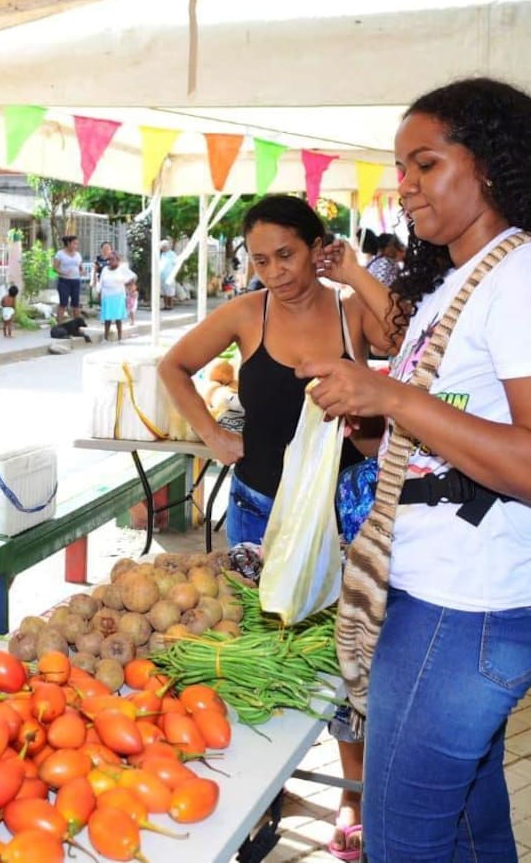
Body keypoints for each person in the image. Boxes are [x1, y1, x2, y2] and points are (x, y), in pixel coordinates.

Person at [302, 77, 531, 860]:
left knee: (402, 840)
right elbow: (463, 434)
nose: (403, 187)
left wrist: (391, 394)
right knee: (474, 828)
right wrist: (380, 430)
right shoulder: (461, 280)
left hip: (465, 609)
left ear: (489, 166)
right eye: (400, 168)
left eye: (424, 164)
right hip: (440, 593)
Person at [159, 195, 394, 862]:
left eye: (286, 254)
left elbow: (410, 348)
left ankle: (351, 795)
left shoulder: (351, 312)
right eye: (260, 259)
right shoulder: (246, 313)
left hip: (342, 514)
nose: (275, 272)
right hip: (259, 512)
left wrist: (355, 274)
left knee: (342, 659)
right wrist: (211, 434)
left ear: (316, 246)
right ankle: (261, 802)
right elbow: (172, 366)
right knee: (255, 655)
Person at [98, 251, 136, 341]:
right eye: (108, 259)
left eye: (112, 259)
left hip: (118, 295)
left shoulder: (122, 269)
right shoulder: (105, 270)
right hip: (106, 296)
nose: (110, 261)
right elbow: (101, 282)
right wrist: (99, 293)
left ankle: (120, 337)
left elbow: (134, 277)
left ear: (117, 260)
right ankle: (105, 338)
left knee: (118, 318)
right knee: (107, 318)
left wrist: (127, 284)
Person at [54, 235, 84, 323]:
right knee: (63, 303)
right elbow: (54, 268)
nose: (76, 245)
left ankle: (77, 325)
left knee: (76, 304)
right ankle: (59, 324)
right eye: (74, 243)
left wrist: (82, 271)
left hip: (76, 281)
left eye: (77, 244)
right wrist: (62, 272)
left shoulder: (78, 254)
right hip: (64, 281)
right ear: (68, 243)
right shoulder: (60, 254)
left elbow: (80, 267)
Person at [159, 239, 179, 309]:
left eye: (164, 247)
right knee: (163, 291)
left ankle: (170, 305)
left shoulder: (172, 254)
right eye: (162, 247)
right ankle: (165, 305)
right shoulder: (162, 254)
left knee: (170, 291)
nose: (163, 248)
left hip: (169, 275)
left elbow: (176, 263)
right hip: (162, 276)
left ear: (167, 247)